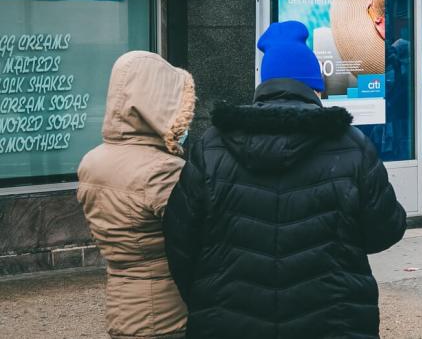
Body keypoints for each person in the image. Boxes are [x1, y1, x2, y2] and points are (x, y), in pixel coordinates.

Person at [164, 21, 407, 339]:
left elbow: (179, 238)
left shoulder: (211, 146)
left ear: (264, 85)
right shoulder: (351, 145)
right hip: (335, 322)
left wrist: (205, 298)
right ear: (314, 88)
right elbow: (385, 231)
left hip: (229, 321)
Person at [77, 51, 197, 339]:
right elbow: (198, 237)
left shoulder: (91, 162)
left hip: (122, 306)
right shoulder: (162, 170)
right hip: (165, 311)